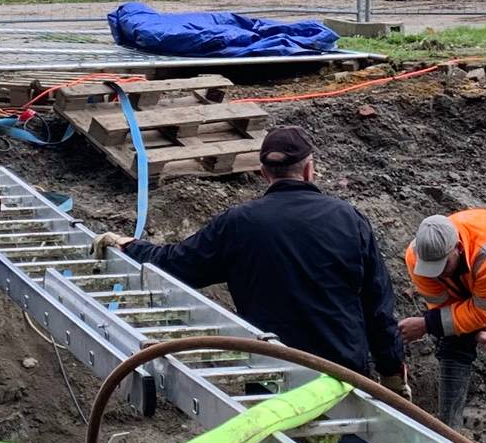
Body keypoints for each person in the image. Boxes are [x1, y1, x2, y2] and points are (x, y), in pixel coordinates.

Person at [94, 126, 403, 382]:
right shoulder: (349, 218)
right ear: (309, 169)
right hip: (342, 374)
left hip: (271, 373)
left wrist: (129, 246)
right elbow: (377, 305)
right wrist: (391, 370)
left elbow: (175, 264)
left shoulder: (239, 223)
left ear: (262, 173)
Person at [401, 208, 486, 426]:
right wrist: (475, 333)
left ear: (456, 249)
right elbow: (445, 311)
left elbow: (482, 311)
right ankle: (449, 430)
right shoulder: (416, 259)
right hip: (473, 265)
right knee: (452, 341)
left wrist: (427, 324)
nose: (437, 274)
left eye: (442, 265)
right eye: (431, 268)